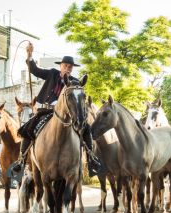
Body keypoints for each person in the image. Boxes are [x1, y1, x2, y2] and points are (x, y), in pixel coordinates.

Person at [11, 42, 105, 178]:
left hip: (67, 114)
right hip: (46, 110)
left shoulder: (74, 81)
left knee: (86, 128)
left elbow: (78, 99)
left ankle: (91, 159)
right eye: (65, 66)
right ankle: (21, 160)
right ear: (60, 66)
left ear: (72, 69)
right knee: (28, 127)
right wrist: (30, 55)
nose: (67, 68)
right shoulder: (51, 74)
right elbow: (35, 70)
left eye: (70, 67)